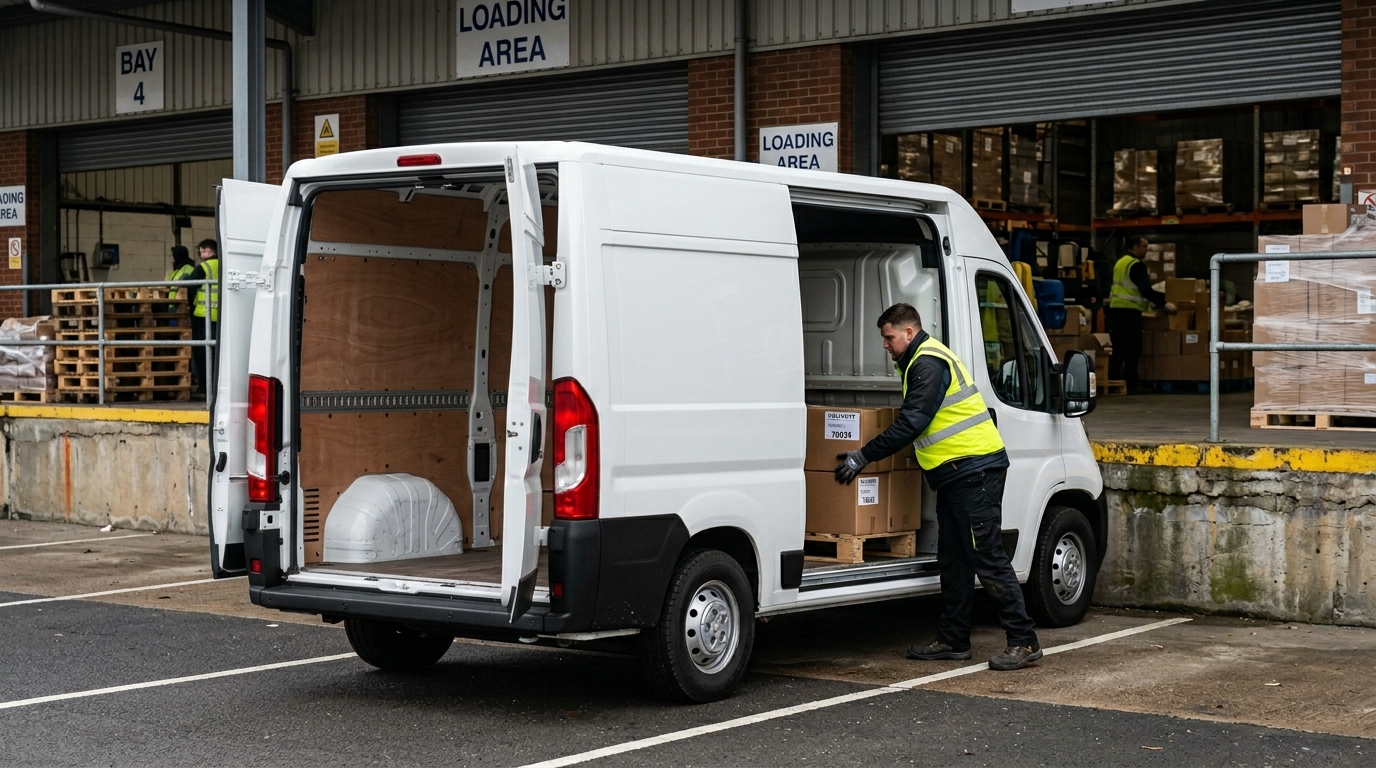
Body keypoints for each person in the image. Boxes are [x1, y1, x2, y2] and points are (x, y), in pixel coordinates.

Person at [834, 303, 1042, 672]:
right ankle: (953, 640)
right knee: (955, 559)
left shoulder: (927, 363)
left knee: (987, 556)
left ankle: (1024, 640)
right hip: (956, 475)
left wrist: (863, 456)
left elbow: (913, 422)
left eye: (889, 337)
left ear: (909, 333)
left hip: (974, 472)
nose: (886, 345)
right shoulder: (919, 361)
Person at [1108, 236, 1175, 393]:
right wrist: (1163, 303)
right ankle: (1132, 384)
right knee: (1133, 348)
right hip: (1130, 313)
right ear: (1135, 246)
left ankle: (1114, 381)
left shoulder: (1120, 262)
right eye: (1144, 246)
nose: (1147, 249)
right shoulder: (1136, 265)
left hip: (1116, 311)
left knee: (1118, 348)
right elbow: (1145, 290)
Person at [188, 238, 220, 397]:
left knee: (202, 355)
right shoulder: (225, 264)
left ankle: (204, 389)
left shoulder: (204, 266)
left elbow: (190, 282)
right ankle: (216, 388)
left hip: (203, 315)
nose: (201, 255)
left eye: (202, 251)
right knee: (217, 354)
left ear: (210, 251)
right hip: (220, 316)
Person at [165, 245, 196, 319]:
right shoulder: (176, 270)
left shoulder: (188, 268)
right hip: (172, 303)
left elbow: (182, 283)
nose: (172, 258)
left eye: (173, 256)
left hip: (180, 305)